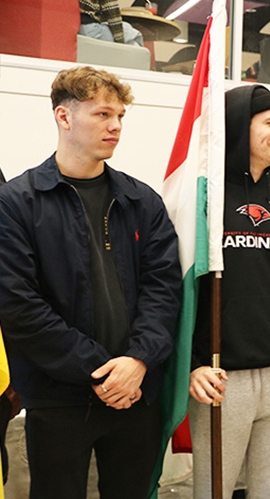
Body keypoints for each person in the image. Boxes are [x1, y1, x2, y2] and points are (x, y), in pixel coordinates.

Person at [0, 66, 181, 498]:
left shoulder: (141, 200)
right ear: (63, 116)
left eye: (120, 116)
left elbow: (164, 290)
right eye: (102, 114)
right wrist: (101, 371)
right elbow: (19, 306)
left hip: (136, 392)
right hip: (59, 399)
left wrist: (137, 361)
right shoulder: (17, 202)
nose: (115, 126)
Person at [188, 84, 270, 499]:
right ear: (241, 126)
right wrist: (191, 364)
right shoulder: (203, 200)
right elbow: (177, 290)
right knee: (212, 492)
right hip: (222, 378)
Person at [79, 0, 145, 46]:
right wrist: (120, 44)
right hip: (89, 29)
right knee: (133, 34)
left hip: (76, 28)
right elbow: (113, 15)